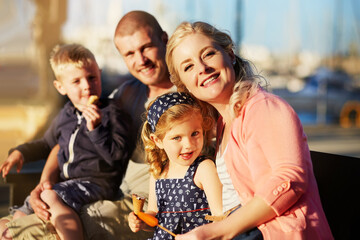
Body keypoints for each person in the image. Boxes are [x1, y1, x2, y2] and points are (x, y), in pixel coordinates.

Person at [0, 11, 175, 240]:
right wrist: (42, 181)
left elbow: (113, 155)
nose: (140, 60)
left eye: (146, 47)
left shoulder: (176, 98)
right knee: (9, 221)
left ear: (165, 40)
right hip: (82, 189)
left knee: (15, 233)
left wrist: (96, 130)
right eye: (130, 53)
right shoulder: (125, 94)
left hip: (128, 199)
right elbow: (55, 144)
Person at [165, 21, 333, 240]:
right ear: (185, 85)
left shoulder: (262, 106)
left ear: (230, 55)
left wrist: (217, 231)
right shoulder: (223, 123)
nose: (202, 68)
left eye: (208, 54)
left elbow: (290, 179)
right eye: (188, 67)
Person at [0, 43, 132, 240]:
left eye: (92, 77)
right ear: (61, 87)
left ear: (100, 74)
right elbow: (46, 143)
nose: (87, 86)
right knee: (19, 214)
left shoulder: (112, 112)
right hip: (67, 182)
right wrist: (21, 152)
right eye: (76, 81)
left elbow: (117, 157)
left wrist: (96, 130)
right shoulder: (66, 114)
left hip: (98, 182)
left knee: (50, 195)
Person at [128, 92, 222, 239]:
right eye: (177, 137)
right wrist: (140, 221)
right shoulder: (158, 172)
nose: (188, 144)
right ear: (157, 140)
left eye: (195, 133)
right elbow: (154, 216)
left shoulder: (204, 168)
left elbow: (220, 217)